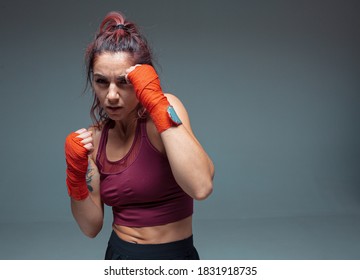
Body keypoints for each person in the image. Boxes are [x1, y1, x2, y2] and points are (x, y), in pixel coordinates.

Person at [64, 11, 214, 260]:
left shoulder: (164, 112)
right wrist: (75, 176)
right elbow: (90, 228)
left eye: (124, 82)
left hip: (173, 257)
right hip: (119, 255)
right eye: (102, 82)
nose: (111, 95)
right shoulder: (95, 141)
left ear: (143, 78)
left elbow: (201, 186)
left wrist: (156, 102)